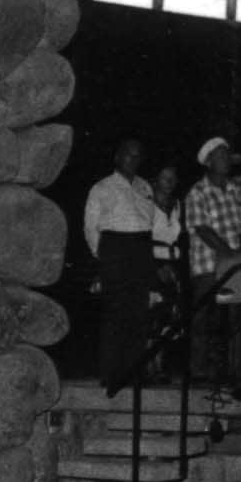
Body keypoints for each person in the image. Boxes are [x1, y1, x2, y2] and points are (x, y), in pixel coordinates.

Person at [80, 137, 159, 387]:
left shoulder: (146, 187)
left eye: (138, 156)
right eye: (128, 154)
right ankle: (112, 374)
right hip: (115, 249)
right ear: (118, 157)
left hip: (141, 249)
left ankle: (134, 372)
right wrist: (103, 258)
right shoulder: (101, 188)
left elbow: (151, 223)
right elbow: (90, 227)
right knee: (115, 313)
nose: (133, 159)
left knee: (138, 314)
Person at [181, 137, 241, 399]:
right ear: (209, 161)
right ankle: (199, 373)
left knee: (234, 320)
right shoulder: (197, 192)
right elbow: (202, 229)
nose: (226, 161)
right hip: (207, 266)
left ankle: (233, 374)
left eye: (228, 156)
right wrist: (229, 253)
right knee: (203, 321)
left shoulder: (235, 190)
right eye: (221, 156)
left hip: (234, 268)